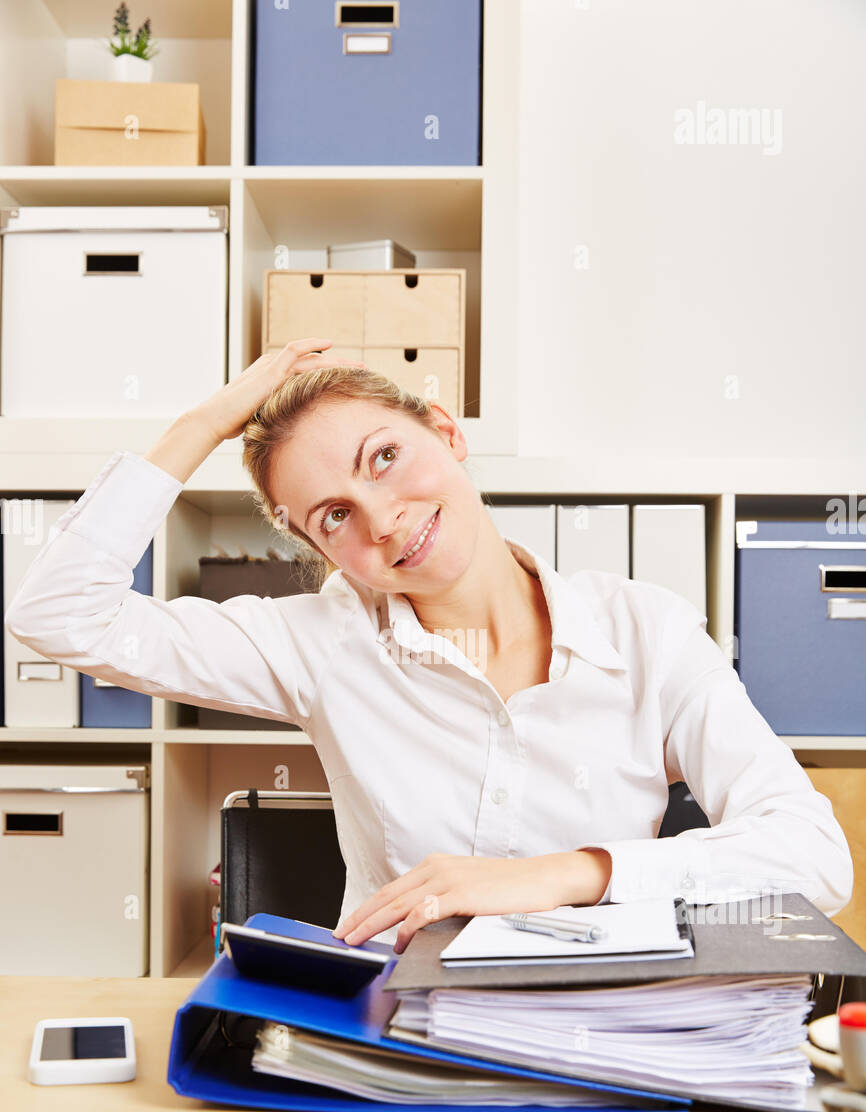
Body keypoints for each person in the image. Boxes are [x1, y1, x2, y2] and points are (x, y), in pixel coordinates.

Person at [4, 338, 854, 952]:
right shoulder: (319, 645)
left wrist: (570, 873)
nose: (383, 519)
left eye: (385, 457)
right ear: (322, 550)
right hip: (393, 1034)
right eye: (334, 515)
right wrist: (204, 420)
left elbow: (813, 858)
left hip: (603, 1026)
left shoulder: (645, 631)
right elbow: (57, 613)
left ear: (446, 433)